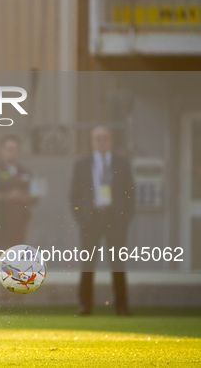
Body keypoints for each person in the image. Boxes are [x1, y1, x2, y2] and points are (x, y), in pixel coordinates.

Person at [70, 126, 134, 316]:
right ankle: (85, 305)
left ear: (111, 141)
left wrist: (125, 217)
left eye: (105, 138)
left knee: (118, 263)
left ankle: (121, 306)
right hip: (92, 218)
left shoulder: (122, 164)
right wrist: (81, 217)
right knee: (88, 263)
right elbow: (74, 195)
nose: (101, 142)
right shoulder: (82, 164)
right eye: (97, 138)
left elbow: (130, 192)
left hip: (115, 218)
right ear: (92, 142)